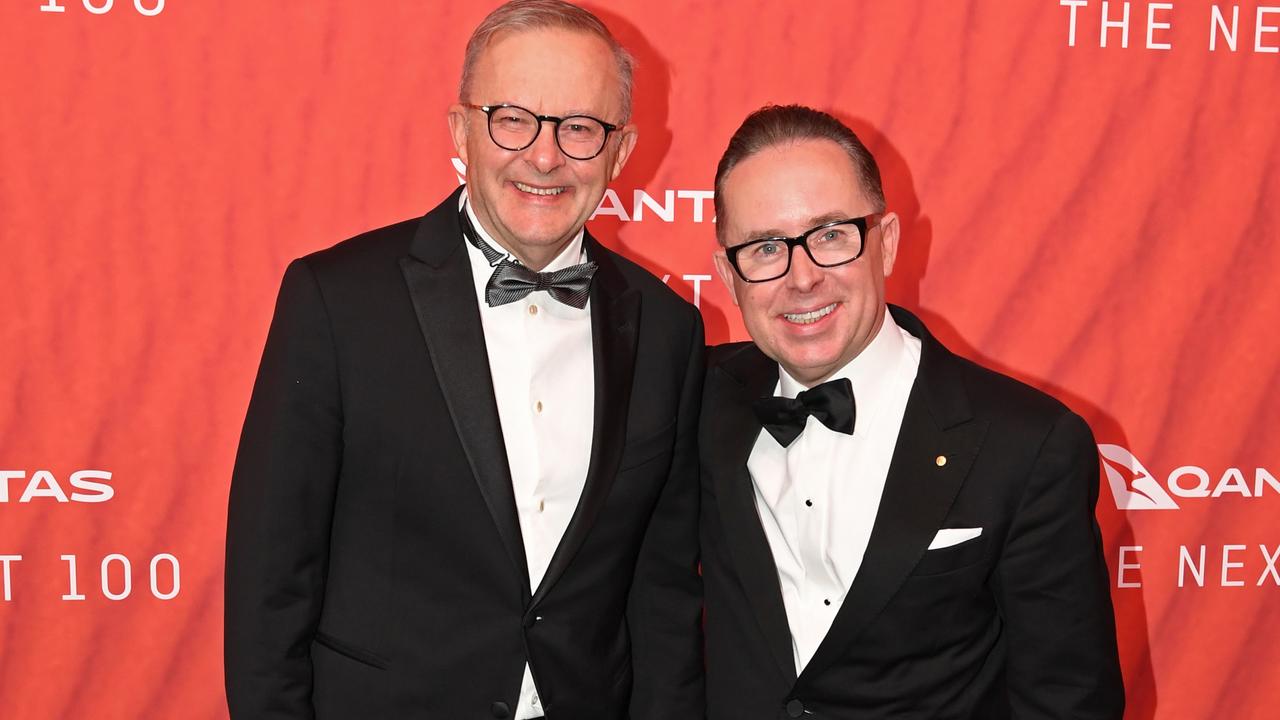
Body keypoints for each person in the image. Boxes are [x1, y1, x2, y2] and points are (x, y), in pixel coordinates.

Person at [224, 2, 705, 718]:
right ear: (462, 130)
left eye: (580, 128)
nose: (544, 157)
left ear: (621, 151)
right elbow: (271, 582)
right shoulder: (338, 301)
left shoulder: (669, 331)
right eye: (513, 119)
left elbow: (662, 598)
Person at [701, 104, 1124, 719]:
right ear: (727, 273)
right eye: (766, 248)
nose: (802, 278)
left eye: (830, 236)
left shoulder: (1027, 444)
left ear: (887, 242)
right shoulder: (698, 398)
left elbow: (1068, 701)